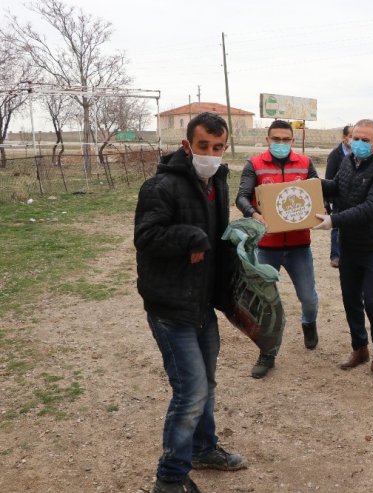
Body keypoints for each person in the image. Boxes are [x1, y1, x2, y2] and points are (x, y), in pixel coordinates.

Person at [134, 112, 247, 493]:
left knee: (207, 384)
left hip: (202, 305)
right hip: (170, 307)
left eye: (218, 148)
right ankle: (169, 477)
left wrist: (239, 245)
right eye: (204, 147)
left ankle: (202, 449)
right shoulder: (160, 187)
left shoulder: (218, 182)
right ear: (187, 145)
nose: (211, 154)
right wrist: (190, 237)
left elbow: (216, 239)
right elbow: (146, 237)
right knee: (191, 390)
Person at [236, 119, 320, 379]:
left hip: (299, 245)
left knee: (308, 297)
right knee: (264, 303)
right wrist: (253, 212)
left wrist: (321, 209)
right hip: (267, 246)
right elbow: (241, 196)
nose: (281, 144)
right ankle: (267, 353)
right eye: (276, 139)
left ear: (293, 141)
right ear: (267, 140)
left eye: (286, 139)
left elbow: (317, 192)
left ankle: (309, 323)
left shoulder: (305, 164)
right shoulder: (255, 164)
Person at [315, 119, 373, 374]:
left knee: (372, 300)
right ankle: (359, 348)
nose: (359, 143)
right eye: (355, 138)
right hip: (349, 243)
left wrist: (334, 220)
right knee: (350, 298)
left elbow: (371, 208)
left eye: (365, 140)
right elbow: (336, 187)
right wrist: (311, 184)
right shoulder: (348, 161)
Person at [324, 125, 353, 268]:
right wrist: (327, 202)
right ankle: (335, 256)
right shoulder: (335, 155)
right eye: (352, 136)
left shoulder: (358, 154)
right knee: (336, 227)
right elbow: (329, 179)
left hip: (354, 199)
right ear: (344, 137)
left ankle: (348, 255)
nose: (354, 140)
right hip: (339, 199)